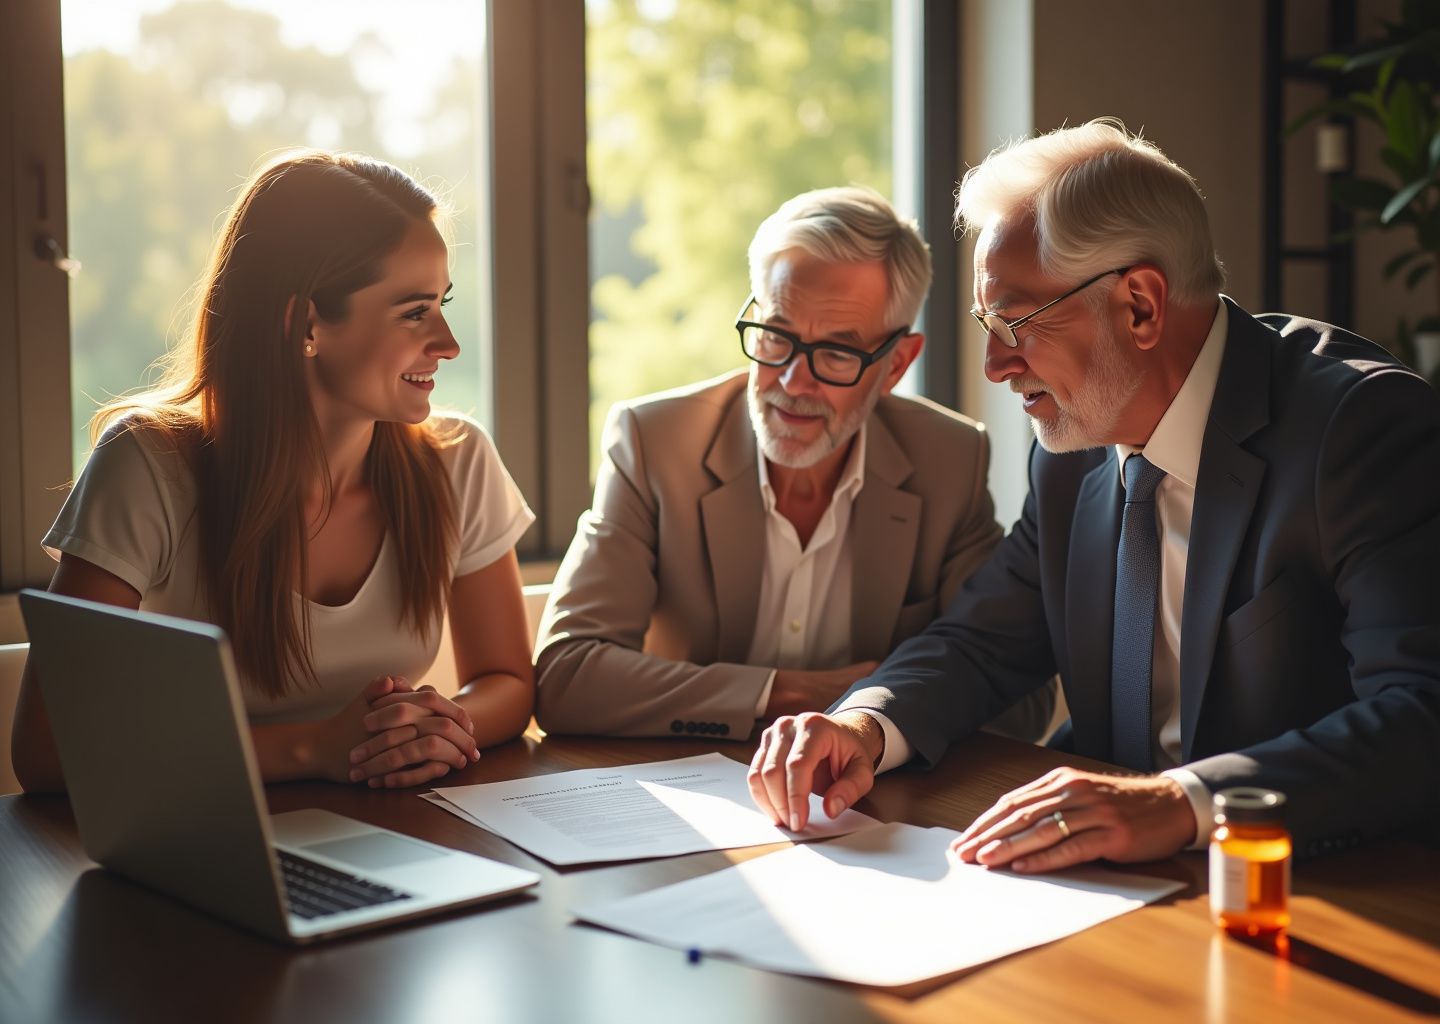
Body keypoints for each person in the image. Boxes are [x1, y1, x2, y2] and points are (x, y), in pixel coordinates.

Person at [749, 120, 1440, 865]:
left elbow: (1421, 716)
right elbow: (984, 641)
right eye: (989, 323)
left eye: (1015, 322)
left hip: (1316, 883)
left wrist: (1181, 801)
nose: (993, 364)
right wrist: (863, 726)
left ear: (1140, 306)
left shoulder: (1358, 428)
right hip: (1105, 879)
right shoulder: (1073, 448)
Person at [12, 151, 536, 794]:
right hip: (203, 842)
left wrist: (430, 728)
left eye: (442, 304)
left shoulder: (458, 461)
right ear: (306, 323)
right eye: (414, 312)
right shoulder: (149, 467)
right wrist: (315, 748)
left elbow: (509, 683)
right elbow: (46, 749)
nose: (448, 342)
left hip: (393, 830)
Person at [534, 186, 1054, 743]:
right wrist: (784, 693)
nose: (791, 382)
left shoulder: (948, 459)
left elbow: (1018, 699)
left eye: (836, 353)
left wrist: (870, 718)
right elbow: (567, 676)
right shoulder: (654, 442)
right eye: (777, 336)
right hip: (684, 794)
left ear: (897, 364)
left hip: (862, 797)